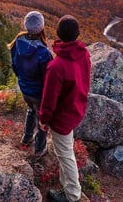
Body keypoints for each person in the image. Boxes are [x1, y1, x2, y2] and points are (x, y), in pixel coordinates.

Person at [39, 15, 90, 202]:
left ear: (59, 34)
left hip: (62, 118)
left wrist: (44, 120)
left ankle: (72, 196)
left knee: (65, 155)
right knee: (65, 149)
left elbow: (49, 99)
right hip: (76, 109)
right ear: (77, 34)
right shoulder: (83, 54)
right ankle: (68, 188)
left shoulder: (56, 67)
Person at [8, 11, 53, 157]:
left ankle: (26, 138)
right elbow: (47, 78)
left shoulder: (17, 42)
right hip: (38, 92)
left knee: (31, 110)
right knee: (42, 119)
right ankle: (40, 148)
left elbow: (14, 65)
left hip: (25, 88)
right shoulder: (43, 52)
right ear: (41, 28)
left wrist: (22, 79)